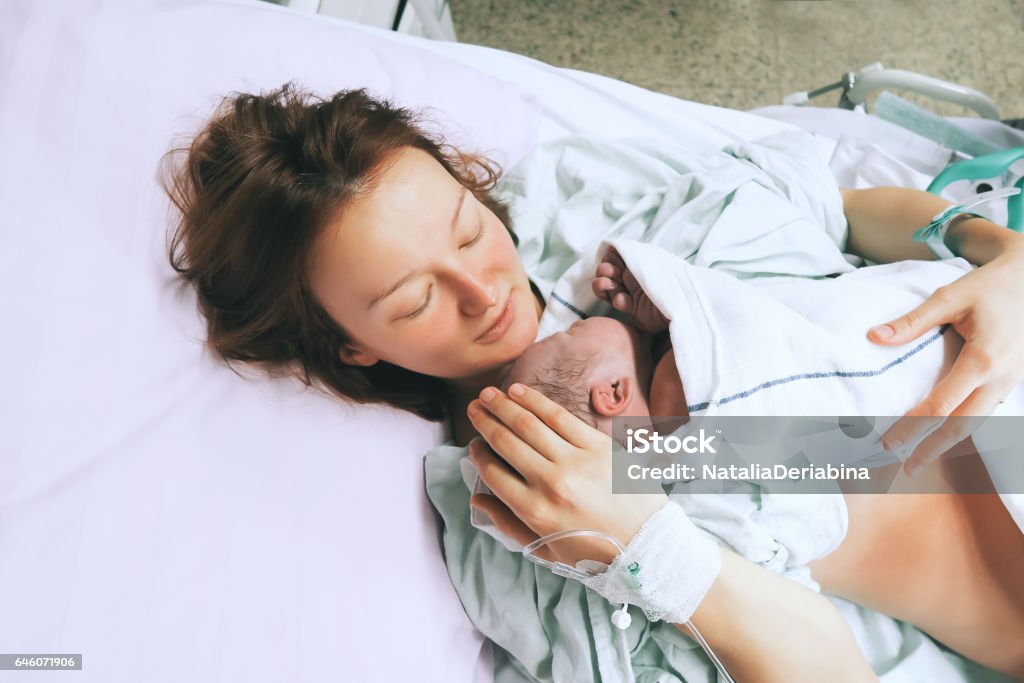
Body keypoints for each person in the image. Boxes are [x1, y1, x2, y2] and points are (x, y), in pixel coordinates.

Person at [163, 84, 1024, 681]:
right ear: (349, 346)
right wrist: (646, 540)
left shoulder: (583, 209)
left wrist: (995, 253)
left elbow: (837, 206)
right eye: (416, 298)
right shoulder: (513, 512)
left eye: (468, 231)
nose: (483, 290)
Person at [492, 251, 1024, 678]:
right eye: (569, 333)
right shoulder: (688, 394)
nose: (574, 319)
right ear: (611, 392)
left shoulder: (681, 506)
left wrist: (1010, 255)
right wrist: (687, 316)